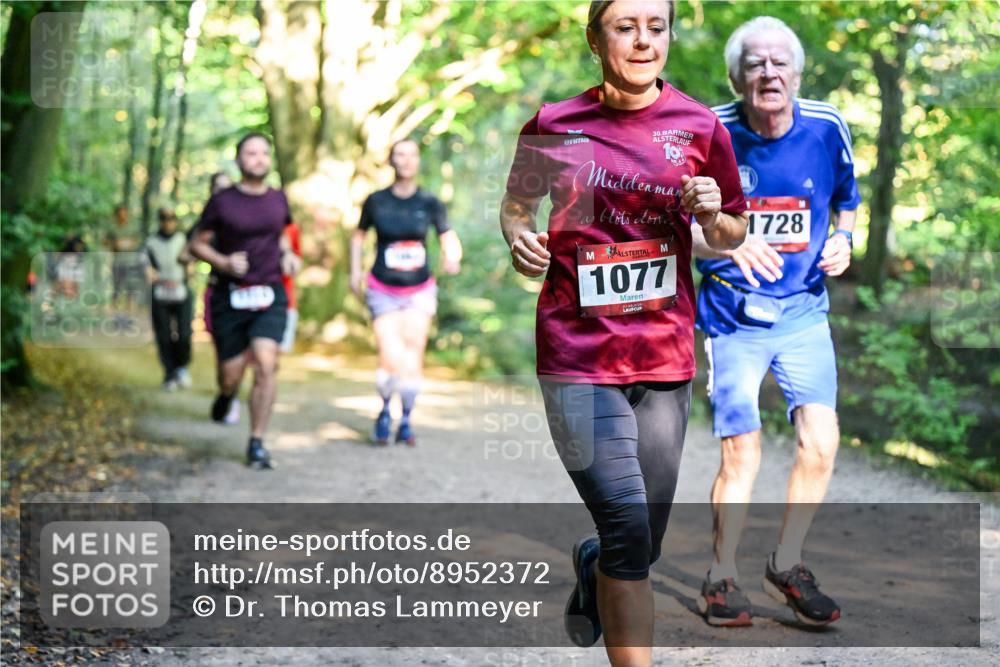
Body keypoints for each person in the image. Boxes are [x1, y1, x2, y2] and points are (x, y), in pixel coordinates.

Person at [500, 1, 747, 663]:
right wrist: (520, 236)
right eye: (625, 26)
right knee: (626, 523)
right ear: (594, 37)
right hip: (577, 355)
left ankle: (593, 562)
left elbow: (732, 234)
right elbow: (518, 203)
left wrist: (715, 213)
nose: (644, 40)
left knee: (640, 541)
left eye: (656, 26)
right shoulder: (555, 123)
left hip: (663, 356)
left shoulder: (700, 126)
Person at [691, 16, 860, 627]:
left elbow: (845, 205)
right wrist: (728, 244)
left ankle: (787, 563)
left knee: (822, 438)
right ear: (737, 76)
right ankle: (721, 575)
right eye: (755, 64)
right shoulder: (711, 132)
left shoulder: (826, 125)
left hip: (804, 311)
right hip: (733, 315)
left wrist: (845, 242)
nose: (769, 73)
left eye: (779, 62)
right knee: (743, 452)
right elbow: (680, 233)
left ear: (796, 72)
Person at [189, 133, 302, 468]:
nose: (258, 159)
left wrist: (289, 256)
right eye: (251, 153)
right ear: (239, 160)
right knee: (231, 375)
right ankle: (226, 395)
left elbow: (282, 235)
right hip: (231, 296)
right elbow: (197, 243)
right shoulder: (222, 201)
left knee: (267, 363)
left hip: (270, 292)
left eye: (264, 153)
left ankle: (257, 442)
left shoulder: (279, 199)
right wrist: (223, 262)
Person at [350, 138, 462, 446]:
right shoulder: (376, 201)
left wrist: (452, 255)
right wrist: (354, 270)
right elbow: (358, 237)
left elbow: (447, 234)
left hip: (419, 288)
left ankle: (408, 419)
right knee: (389, 353)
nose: (406, 160)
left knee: (413, 352)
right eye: (400, 154)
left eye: (412, 155)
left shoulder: (429, 202)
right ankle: (385, 411)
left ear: (417, 161)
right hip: (382, 286)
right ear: (391, 160)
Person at [145, 207, 194, 391]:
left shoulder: (183, 240)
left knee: (184, 334)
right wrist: (150, 275)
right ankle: (169, 373)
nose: (168, 222)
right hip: (160, 293)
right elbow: (146, 265)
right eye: (164, 218)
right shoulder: (151, 242)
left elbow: (191, 261)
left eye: (171, 218)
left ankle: (182, 367)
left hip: (181, 291)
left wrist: (189, 270)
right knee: (164, 336)